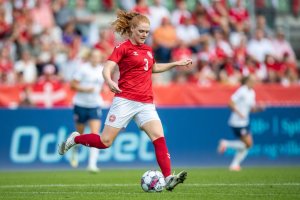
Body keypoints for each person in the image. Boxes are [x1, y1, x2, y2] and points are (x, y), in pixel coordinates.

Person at [59, 10, 191, 191]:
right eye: (141, 31)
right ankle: (76, 139)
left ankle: (168, 178)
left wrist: (176, 64)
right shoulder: (123, 47)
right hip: (125, 100)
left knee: (159, 137)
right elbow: (107, 67)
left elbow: (153, 68)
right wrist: (109, 80)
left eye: (147, 32)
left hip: (146, 102)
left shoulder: (148, 50)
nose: (144, 35)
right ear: (132, 30)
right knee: (104, 142)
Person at [218, 75, 264, 171]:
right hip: (237, 122)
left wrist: (260, 108)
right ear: (247, 81)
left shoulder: (252, 92)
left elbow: (251, 109)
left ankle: (234, 164)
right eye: (252, 81)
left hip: (245, 122)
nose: (254, 82)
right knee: (248, 144)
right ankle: (226, 144)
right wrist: (240, 114)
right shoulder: (242, 90)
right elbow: (230, 103)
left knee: (248, 145)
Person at [69, 49, 105, 172]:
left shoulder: (102, 70)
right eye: (93, 56)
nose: (95, 59)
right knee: (80, 134)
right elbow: (72, 85)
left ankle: (92, 164)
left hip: (95, 105)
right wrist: (85, 89)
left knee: (95, 134)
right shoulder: (83, 68)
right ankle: (75, 151)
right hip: (80, 104)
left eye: (98, 57)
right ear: (90, 57)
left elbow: (103, 85)